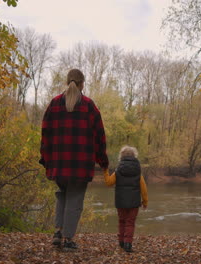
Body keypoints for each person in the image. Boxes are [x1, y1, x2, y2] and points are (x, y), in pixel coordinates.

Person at [39, 68, 109, 251]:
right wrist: (103, 162)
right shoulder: (88, 105)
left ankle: (58, 233)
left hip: (58, 165)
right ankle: (68, 240)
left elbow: (45, 135)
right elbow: (100, 137)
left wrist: (46, 161)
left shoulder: (54, 104)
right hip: (80, 165)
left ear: (67, 82)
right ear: (82, 84)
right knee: (75, 200)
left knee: (63, 195)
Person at [104, 145, 148, 253]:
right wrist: (145, 201)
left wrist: (105, 170)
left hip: (120, 202)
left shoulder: (118, 170)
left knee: (122, 221)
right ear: (134, 156)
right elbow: (143, 188)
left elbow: (109, 183)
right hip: (134, 203)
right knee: (130, 222)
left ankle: (121, 242)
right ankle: (128, 244)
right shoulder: (138, 171)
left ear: (121, 156)